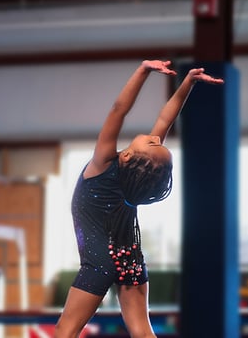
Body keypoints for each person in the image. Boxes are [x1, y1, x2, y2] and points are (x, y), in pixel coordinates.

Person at [54, 60, 224, 338]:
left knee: (66, 330)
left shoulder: (102, 164)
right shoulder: (133, 181)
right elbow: (166, 119)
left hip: (100, 261)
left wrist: (143, 71)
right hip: (128, 256)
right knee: (142, 332)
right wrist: (187, 84)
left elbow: (119, 110)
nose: (157, 139)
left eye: (154, 144)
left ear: (130, 156)